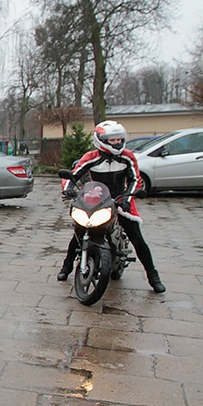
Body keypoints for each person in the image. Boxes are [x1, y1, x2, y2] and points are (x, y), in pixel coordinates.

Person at [59, 120, 165, 293]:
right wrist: (68, 190)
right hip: (95, 199)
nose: (116, 143)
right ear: (100, 139)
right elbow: (73, 175)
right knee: (80, 231)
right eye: (111, 140)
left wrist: (127, 198)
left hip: (121, 200)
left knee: (136, 237)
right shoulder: (91, 157)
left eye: (119, 139)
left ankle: (153, 277)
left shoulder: (127, 157)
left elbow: (135, 180)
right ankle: (66, 267)